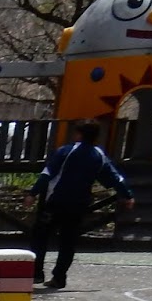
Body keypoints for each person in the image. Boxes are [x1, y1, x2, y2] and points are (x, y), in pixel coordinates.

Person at [30, 119, 134, 289]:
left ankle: (36, 273)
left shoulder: (66, 151)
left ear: (78, 134)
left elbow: (47, 174)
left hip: (55, 201)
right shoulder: (99, 156)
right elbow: (116, 179)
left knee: (40, 236)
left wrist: (33, 193)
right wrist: (127, 195)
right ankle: (59, 277)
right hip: (78, 204)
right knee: (68, 241)